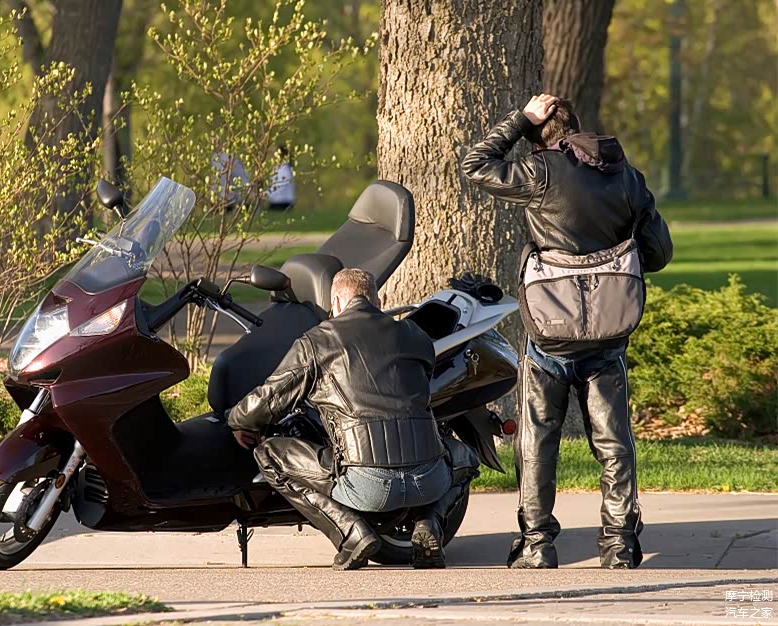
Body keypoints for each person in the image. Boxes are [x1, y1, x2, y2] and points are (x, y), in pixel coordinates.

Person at [461, 94, 673, 569]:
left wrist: (519, 120)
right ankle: (619, 543)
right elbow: (658, 253)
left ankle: (537, 544)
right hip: (607, 331)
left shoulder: (539, 171)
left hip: (550, 331)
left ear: (538, 141)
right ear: (577, 130)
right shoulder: (625, 175)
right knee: (614, 441)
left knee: (538, 439)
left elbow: (475, 164)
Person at [227, 268, 453, 571]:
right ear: (378, 302)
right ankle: (429, 523)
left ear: (335, 302)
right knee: (465, 456)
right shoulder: (415, 336)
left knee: (269, 454)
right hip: (429, 481)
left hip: (366, 484)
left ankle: (352, 533)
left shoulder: (317, 341)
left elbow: (271, 397)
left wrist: (237, 420)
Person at [267, 145, 296, 211]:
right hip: (278, 201)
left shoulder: (284, 169)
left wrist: (266, 194)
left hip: (282, 202)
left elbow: (280, 186)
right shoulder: (278, 167)